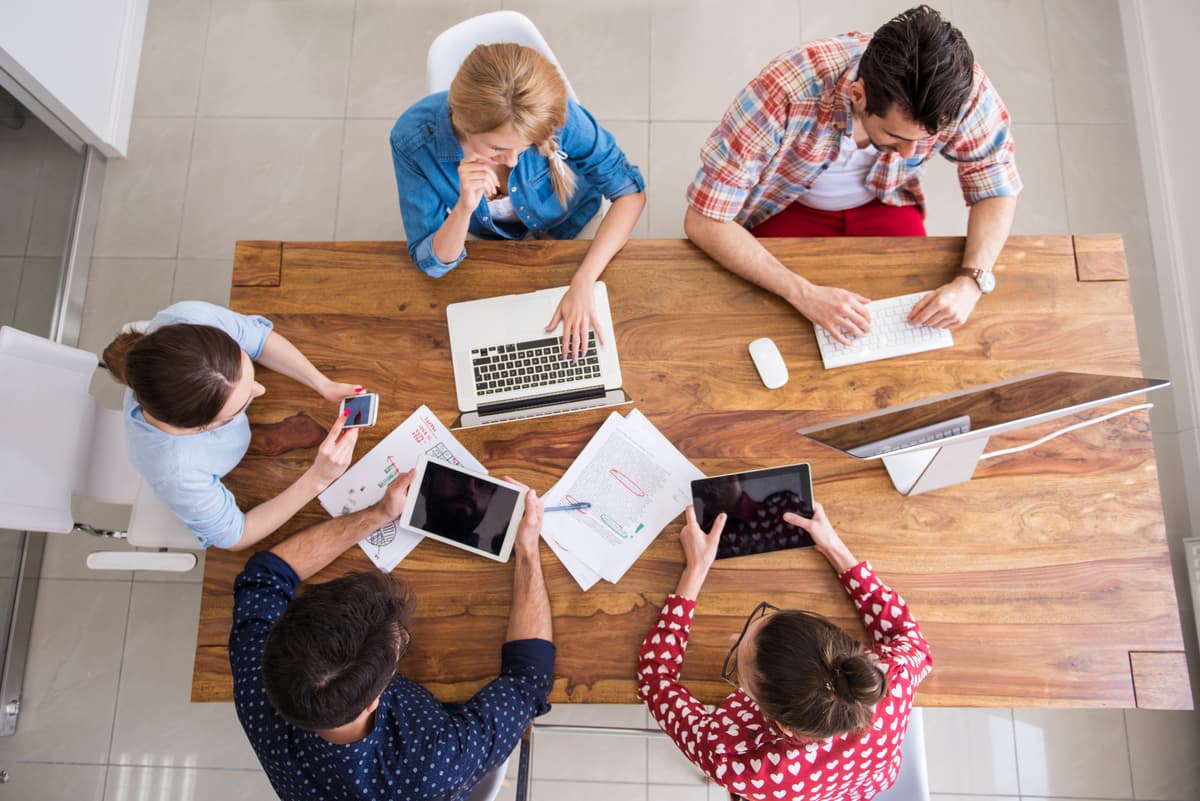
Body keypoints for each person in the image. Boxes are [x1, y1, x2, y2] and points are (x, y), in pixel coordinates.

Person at [683, 5, 1021, 345]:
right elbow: (705, 221)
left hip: (885, 199)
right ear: (857, 95)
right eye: (897, 137)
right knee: (769, 328)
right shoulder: (782, 91)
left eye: (922, 141)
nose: (909, 153)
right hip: (786, 205)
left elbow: (996, 182)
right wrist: (803, 293)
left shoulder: (962, 92)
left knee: (916, 333)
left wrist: (971, 280)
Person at [230, 469, 554, 801]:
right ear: (375, 701)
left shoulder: (261, 681)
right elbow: (528, 680)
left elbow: (266, 576)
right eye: (397, 642)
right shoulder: (434, 762)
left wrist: (379, 513)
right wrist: (528, 548)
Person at [638, 502, 932, 801]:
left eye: (737, 664)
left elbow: (654, 680)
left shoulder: (732, 761)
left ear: (779, 723)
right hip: (856, 785)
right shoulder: (892, 680)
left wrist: (696, 569)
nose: (732, 637)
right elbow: (909, 636)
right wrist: (834, 548)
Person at [390, 42, 646, 358]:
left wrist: (583, 280)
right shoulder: (413, 141)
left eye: (524, 148)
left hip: (573, 220)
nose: (511, 161)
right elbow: (431, 262)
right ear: (463, 122)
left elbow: (629, 193)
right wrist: (462, 210)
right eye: (496, 149)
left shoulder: (560, 116)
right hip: (490, 242)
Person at [102, 300, 362, 550]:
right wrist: (318, 479)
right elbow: (237, 535)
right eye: (241, 404)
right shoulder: (177, 472)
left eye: (248, 372)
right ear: (202, 429)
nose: (261, 389)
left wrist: (322, 384)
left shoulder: (192, 318)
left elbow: (259, 340)